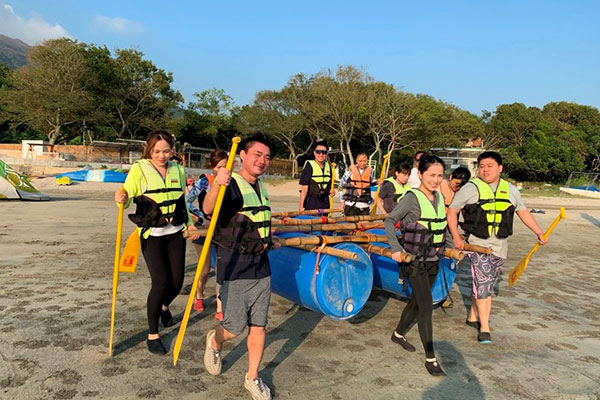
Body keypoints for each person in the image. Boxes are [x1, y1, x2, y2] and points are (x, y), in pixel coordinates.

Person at [202, 133, 277, 400]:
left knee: (259, 325)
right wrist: (215, 185)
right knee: (234, 328)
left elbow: (258, 221)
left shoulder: (262, 187)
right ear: (242, 156)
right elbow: (208, 210)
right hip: (234, 267)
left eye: (267, 157)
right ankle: (215, 340)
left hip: (261, 267)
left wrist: (270, 239)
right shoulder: (231, 185)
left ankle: (253, 376)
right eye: (257, 154)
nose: (262, 160)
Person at [114, 130, 200, 355]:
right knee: (160, 281)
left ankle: (164, 306)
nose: (161, 156)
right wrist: (120, 197)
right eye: (156, 151)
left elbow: (183, 202)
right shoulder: (139, 168)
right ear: (149, 150)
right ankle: (152, 334)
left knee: (177, 281)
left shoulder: (179, 170)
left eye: (166, 151)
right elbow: (127, 194)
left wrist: (190, 225)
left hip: (176, 231)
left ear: (173, 150)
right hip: (151, 233)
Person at [447, 151, 547, 344]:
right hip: (477, 244)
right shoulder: (469, 189)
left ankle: (473, 316)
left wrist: (538, 232)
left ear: (500, 168)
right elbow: (452, 212)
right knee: (484, 284)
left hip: (500, 246)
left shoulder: (511, 190)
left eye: (490, 166)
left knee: (484, 282)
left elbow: (523, 212)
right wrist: (455, 237)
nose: (485, 170)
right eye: (482, 166)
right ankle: (484, 327)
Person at [384, 154, 448, 377]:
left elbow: (442, 226)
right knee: (426, 306)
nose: (436, 179)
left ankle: (398, 334)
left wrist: (449, 247)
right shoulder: (412, 198)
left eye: (440, 175)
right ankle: (431, 358)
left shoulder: (439, 198)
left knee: (417, 301)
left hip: (433, 260)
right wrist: (395, 249)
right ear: (420, 174)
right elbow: (390, 220)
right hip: (414, 262)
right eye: (431, 175)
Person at [185, 149, 227, 320]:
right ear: (212, 166)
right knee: (204, 269)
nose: (222, 170)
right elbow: (186, 201)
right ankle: (199, 295)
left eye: (226, 166)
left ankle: (220, 305)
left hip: (222, 229)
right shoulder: (204, 182)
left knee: (221, 269)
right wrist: (199, 217)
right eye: (219, 167)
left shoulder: (231, 182)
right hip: (203, 228)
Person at [299, 140, 335, 211]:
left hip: (325, 203)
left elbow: (329, 187)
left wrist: (332, 192)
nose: (321, 154)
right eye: (318, 152)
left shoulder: (329, 167)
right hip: (312, 202)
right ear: (314, 153)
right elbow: (304, 188)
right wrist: (301, 206)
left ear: (327, 154)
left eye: (324, 152)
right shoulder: (309, 166)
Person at [340, 152, 375, 216]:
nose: (362, 163)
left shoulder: (371, 171)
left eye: (364, 161)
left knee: (364, 224)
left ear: (367, 161)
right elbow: (341, 186)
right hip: (350, 204)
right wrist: (342, 203)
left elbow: (370, 183)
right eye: (360, 161)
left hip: (364, 205)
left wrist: (377, 182)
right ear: (356, 160)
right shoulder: (349, 171)